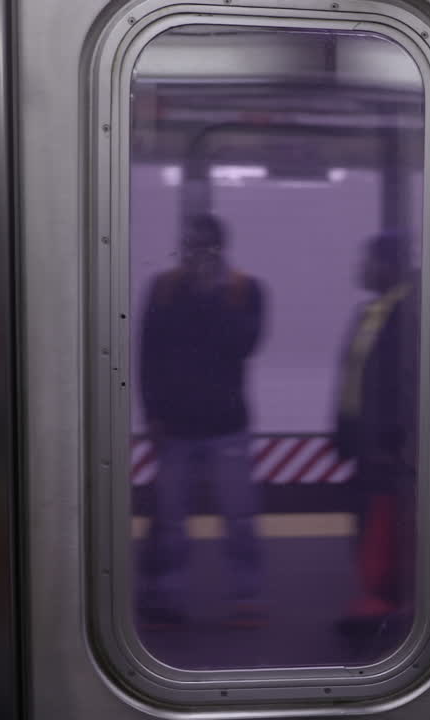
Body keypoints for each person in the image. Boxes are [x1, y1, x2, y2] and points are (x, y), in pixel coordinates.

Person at [137, 213, 267, 629]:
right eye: (191, 245)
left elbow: (244, 345)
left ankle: (246, 595)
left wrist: (211, 294)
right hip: (175, 426)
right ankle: (168, 594)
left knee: (239, 516)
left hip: (227, 424)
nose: (196, 254)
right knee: (171, 519)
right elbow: (148, 355)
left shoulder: (245, 290)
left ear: (221, 248)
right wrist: (151, 412)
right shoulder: (162, 288)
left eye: (205, 246)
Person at [333, 232, 419, 634]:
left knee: (387, 523)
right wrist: (343, 429)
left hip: (389, 445)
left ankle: (385, 604)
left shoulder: (408, 311)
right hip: (366, 441)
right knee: (370, 520)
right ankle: (374, 598)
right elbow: (354, 377)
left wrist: (394, 436)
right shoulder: (370, 313)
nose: (360, 269)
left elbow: (404, 380)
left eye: (366, 261)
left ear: (386, 265)